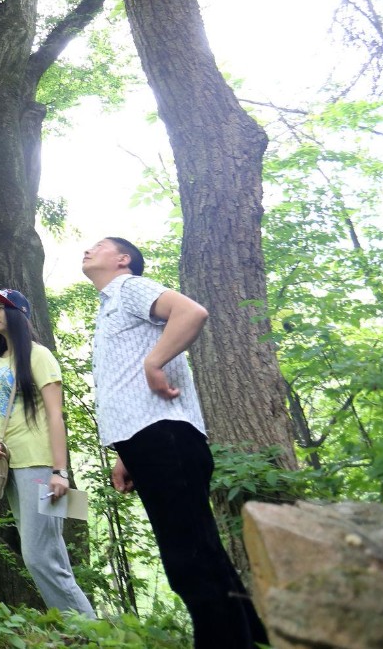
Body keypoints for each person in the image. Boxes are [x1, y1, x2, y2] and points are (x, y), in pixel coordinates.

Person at [81, 236, 269, 649]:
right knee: (200, 550)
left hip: (165, 437)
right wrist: (123, 453)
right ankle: (252, 639)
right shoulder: (110, 306)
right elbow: (123, 385)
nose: (88, 250)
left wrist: (155, 361)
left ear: (123, 259)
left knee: (189, 559)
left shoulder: (129, 288)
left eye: (99, 245)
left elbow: (191, 312)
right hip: (148, 440)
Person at [0, 287, 96, 618]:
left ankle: (89, 634)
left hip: (40, 466)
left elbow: (55, 415)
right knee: (46, 555)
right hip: (8, 466)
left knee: (41, 556)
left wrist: (60, 472)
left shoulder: (40, 356)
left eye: (2, 308)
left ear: (20, 315)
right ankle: (81, 632)